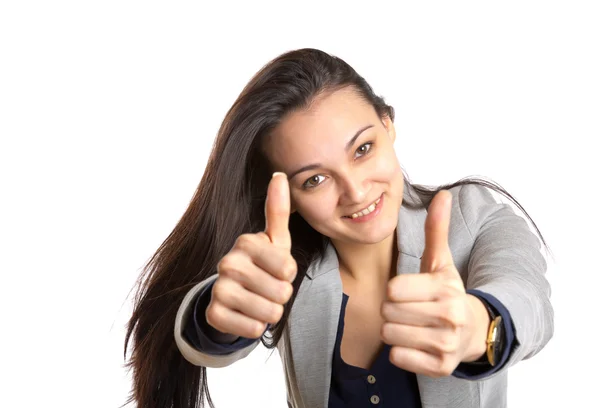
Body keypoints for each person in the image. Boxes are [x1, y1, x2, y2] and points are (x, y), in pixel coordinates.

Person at [124, 48, 553, 408]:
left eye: (363, 149)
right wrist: (217, 316)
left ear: (388, 124)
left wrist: (480, 327)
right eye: (315, 179)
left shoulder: (473, 216)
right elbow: (210, 324)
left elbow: (528, 300)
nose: (355, 190)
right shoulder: (287, 266)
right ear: (287, 197)